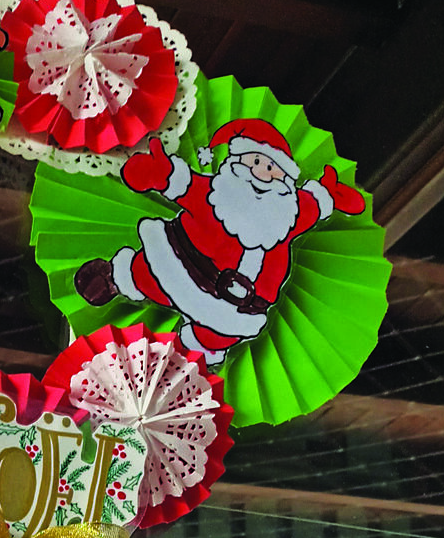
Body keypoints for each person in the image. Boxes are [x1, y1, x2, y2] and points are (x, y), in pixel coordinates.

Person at [74, 119, 365, 364]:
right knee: (146, 273)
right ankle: (115, 277)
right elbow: (185, 185)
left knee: (216, 337)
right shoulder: (217, 192)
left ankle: (193, 357)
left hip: (236, 308)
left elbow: (315, 204)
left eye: (271, 167)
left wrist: (328, 194)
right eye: (255, 161)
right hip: (179, 264)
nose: (262, 172)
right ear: (238, 161)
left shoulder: (289, 212)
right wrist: (160, 173)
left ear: (286, 177)